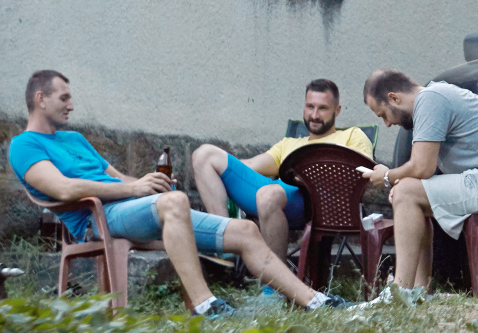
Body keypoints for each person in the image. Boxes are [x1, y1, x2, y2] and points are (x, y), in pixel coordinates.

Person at [10, 70, 343, 315]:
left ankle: (314, 301)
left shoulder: (75, 140)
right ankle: (204, 305)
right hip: (94, 220)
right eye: (64, 97)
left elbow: (118, 177)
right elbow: (63, 188)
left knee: (245, 229)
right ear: (40, 99)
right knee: (174, 203)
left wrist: (147, 184)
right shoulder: (25, 145)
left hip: (129, 209)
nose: (71, 104)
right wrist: (135, 189)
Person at [359, 70, 478, 301]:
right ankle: (418, 292)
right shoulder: (435, 96)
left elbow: (422, 167)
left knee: (407, 192)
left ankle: (400, 292)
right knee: (410, 195)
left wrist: (387, 175)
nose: (388, 124)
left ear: (394, 98)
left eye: (384, 115)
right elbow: (421, 173)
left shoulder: (431, 99)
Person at [191, 79, 372, 265]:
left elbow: (361, 175)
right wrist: (223, 173)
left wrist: (312, 176)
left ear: (337, 110)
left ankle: (273, 286)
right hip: (274, 193)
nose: (315, 115)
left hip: (317, 205)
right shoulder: (289, 144)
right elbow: (250, 165)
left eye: (323, 108)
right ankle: (225, 246)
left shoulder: (352, 136)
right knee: (204, 155)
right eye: (310, 107)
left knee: (269, 194)